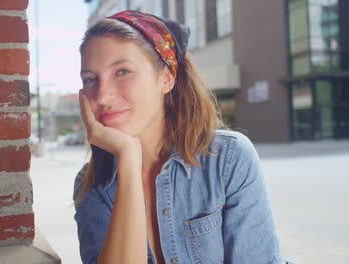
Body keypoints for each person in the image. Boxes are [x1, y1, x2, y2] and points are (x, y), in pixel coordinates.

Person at [73, 10, 282, 264]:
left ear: (166, 78)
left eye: (122, 72)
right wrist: (128, 158)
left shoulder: (227, 159)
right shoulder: (92, 184)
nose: (102, 96)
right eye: (90, 79)